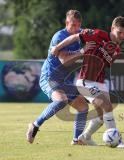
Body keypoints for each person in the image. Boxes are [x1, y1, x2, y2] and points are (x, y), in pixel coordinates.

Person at [52, 16, 124, 148]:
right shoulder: (98, 34)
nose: (121, 36)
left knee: (101, 117)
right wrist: (57, 47)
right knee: (107, 105)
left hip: (100, 83)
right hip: (85, 82)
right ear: (112, 28)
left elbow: (104, 63)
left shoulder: (116, 50)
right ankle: (117, 141)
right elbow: (75, 37)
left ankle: (84, 137)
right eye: (119, 32)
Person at [26, 10, 96, 145]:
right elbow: (65, 60)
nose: (75, 28)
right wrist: (82, 51)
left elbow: (92, 36)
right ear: (66, 23)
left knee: (83, 107)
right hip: (49, 77)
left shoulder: (80, 33)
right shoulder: (59, 36)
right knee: (61, 100)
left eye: (78, 25)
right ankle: (34, 125)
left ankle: (76, 140)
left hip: (65, 80)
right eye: (72, 25)